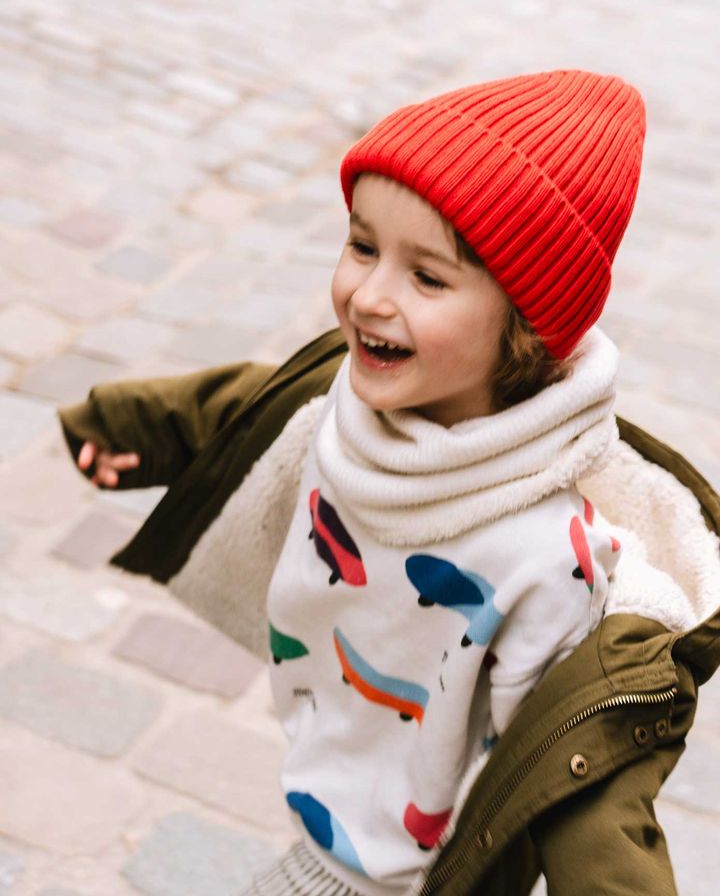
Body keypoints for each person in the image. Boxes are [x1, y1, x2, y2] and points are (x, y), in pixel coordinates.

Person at [59, 71, 720, 896]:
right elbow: (255, 405)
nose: (369, 295)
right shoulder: (351, 405)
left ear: (525, 323)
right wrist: (135, 427)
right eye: (363, 246)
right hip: (330, 819)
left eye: (427, 277)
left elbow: (583, 764)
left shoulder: (549, 557)